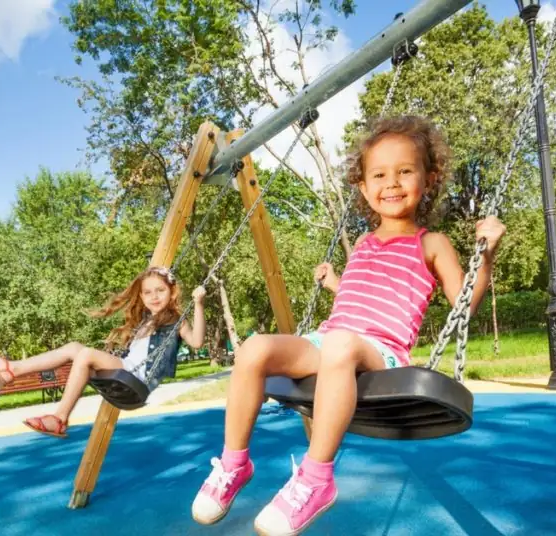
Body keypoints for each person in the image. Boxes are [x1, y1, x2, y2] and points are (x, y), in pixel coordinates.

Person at [191, 115, 507, 535]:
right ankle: (235, 463)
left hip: (383, 353)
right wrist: (335, 283)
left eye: (405, 171)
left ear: (428, 179)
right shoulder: (361, 244)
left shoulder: (431, 243)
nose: (391, 183)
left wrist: (484, 255)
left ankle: (317, 479)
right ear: (362, 186)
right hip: (333, 339)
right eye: (379, 174)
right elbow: (359, 300)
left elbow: (463, 303)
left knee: (340, 344)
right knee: (254, 349)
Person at [0, 266, 207, 438]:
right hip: (125, 371)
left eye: (160, 291)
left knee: (85, 354)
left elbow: (197, 342)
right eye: (147, 292)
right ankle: (12, 370)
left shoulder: (176, 321)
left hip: (137, 380)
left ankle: (60, 418)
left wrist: (198, 304)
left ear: (172, 291)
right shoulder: (146, 320)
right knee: (73, 348)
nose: (154, 297)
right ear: (141, 296)